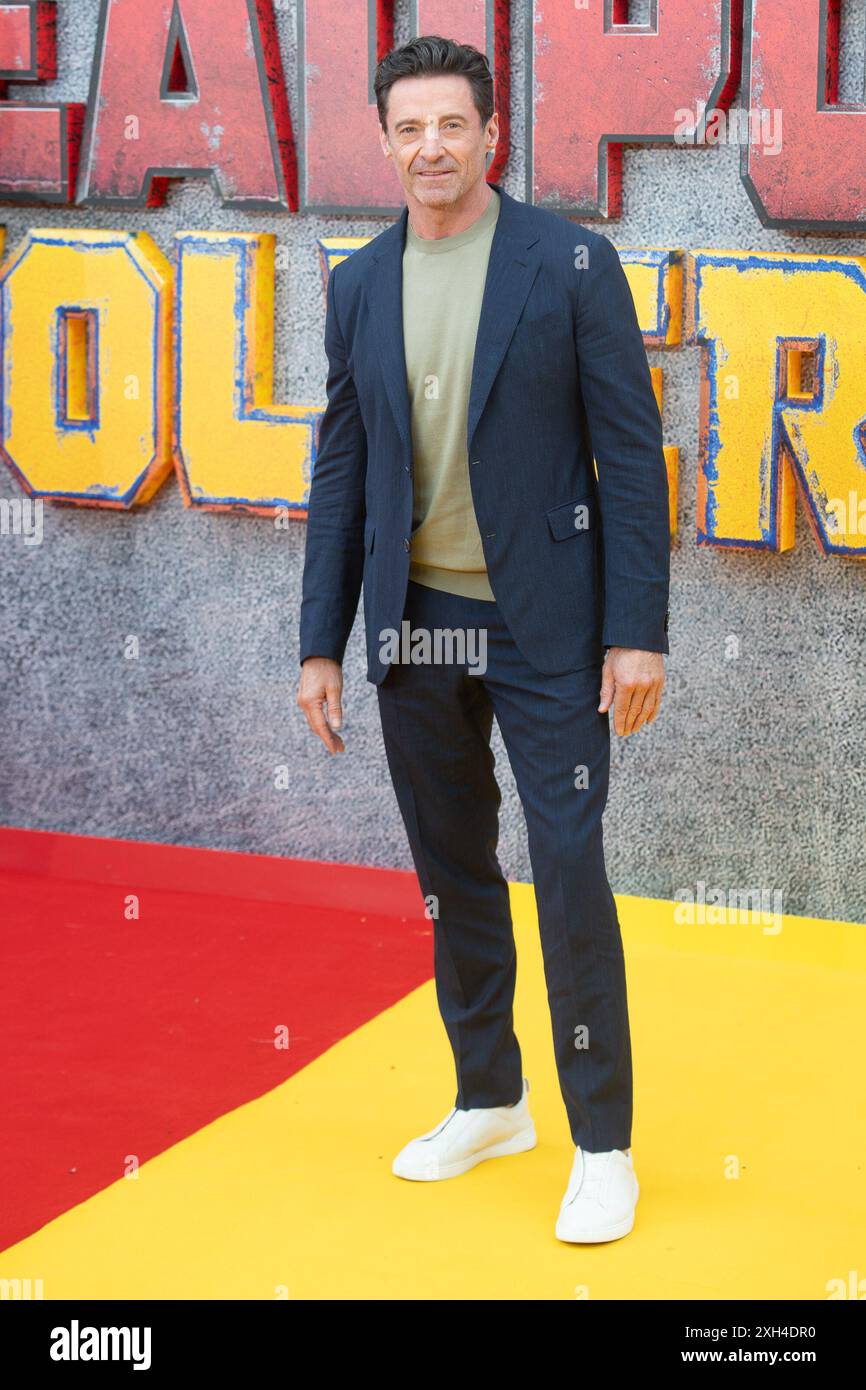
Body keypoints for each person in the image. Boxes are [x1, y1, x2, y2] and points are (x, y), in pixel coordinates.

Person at [297, 35, 670, 1243]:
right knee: (453, 872)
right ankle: (488, 1097)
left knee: (565, 870)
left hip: (547, 629)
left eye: (449, 124)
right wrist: (320, 644)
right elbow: (343, 471)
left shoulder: (567, 264)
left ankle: (601, 1144)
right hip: (421, 629)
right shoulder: (358, 283)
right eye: (407, 128)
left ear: (490, 132)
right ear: (387, 138)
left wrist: (636, 634)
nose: (429, 148)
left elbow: (628, 459)